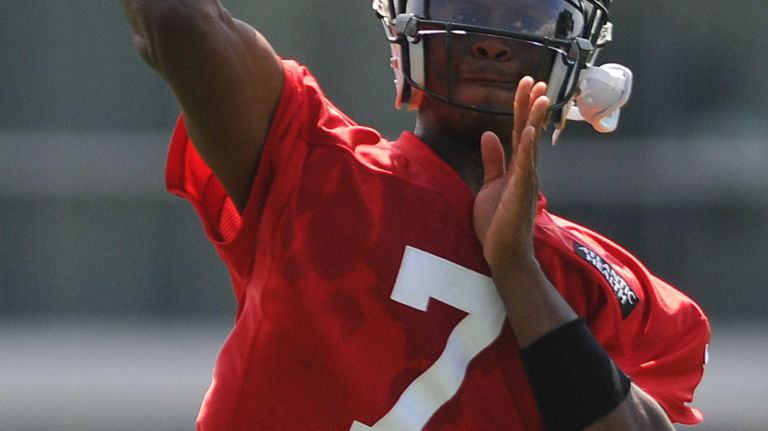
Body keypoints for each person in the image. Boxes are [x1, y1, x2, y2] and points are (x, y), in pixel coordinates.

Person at [122, 0, 710, 429]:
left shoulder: (613, 289)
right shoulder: (320, 166)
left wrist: (518, 270)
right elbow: (175, 19)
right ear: (408, 38)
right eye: (467, 6)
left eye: (525, 18)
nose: (491, 41)